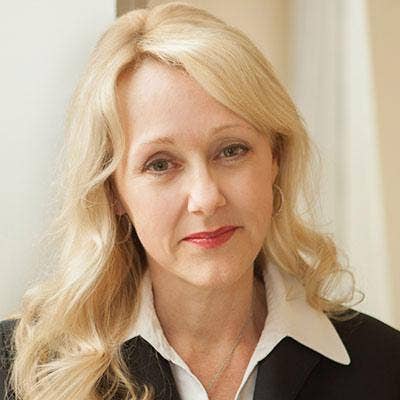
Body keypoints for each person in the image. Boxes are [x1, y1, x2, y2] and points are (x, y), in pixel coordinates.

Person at [1, 2, 399, 399]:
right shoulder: (18, 371)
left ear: (275, 158)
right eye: (160, 164)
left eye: (231, 150)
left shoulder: (387, 366)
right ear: (113, 191)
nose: (206, 199)